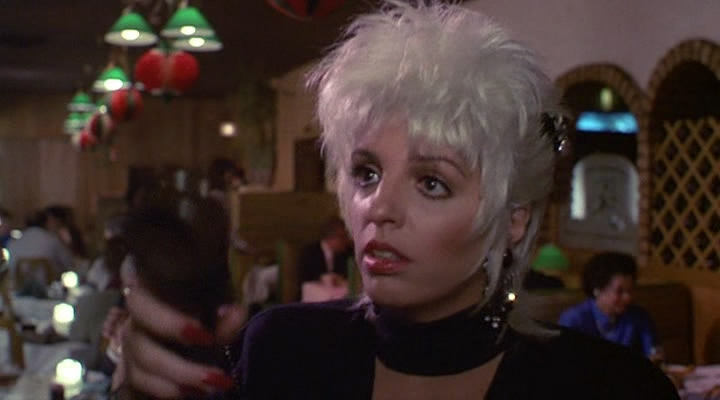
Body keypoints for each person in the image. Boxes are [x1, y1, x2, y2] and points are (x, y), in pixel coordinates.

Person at [117, 2, 678, 399]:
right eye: (366, 173)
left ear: (514, 219)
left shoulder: (610, 387)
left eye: (432, 182)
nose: (377, 208)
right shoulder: (280, 353)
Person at [559, 251, 661, 360]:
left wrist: (656, 356)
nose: (627, 297)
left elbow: (653, 352)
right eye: (619, 291)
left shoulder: (639, 316)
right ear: (597, 289)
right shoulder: (573, 319)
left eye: (630, 290)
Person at [298, 216, 352, 289]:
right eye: (342, 237)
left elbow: (349, 277)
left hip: (338, 293)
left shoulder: (346, 253)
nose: (346, 241)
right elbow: (305, 279)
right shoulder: (309, 253)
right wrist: (323, 279)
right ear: (330, 237)